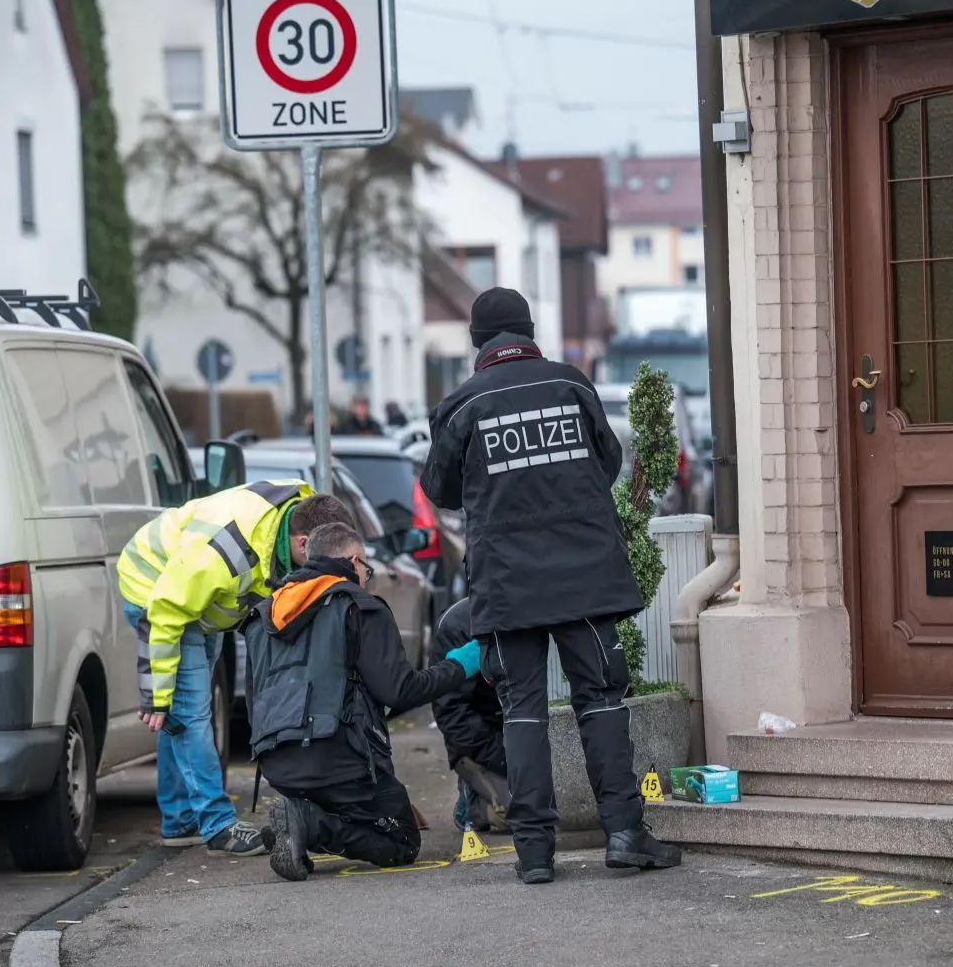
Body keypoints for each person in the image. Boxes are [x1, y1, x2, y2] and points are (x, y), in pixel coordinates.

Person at [422, 286, 682, 885]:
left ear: (477, 342)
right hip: (584, 574)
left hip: (507, 583)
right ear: (530, 332)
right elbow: (607, 463)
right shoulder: (572, 384)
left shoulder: (463, 406)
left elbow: (440, 489)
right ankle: (624, 833)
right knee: (602, 699)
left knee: (522, 709)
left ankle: (535, 853)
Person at [117, 483, 354, 855]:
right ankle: (218, 826)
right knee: (190, 714)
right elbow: (163, 612)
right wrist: (156, 694)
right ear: (304, 543)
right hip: (155, 589)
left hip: (200, 602)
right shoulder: (226, 552)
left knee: (181, 715)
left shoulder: (297, 519)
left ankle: (180, 821)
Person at [244, 523, 484, 881]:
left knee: (345, 800)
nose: (366, 579)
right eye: (367, 569)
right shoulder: (359, 607)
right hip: (340, 764)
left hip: (277, 765)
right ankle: (309, 824)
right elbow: (400, 691)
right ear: (354, 561)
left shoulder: (264, 615)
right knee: (402, 842)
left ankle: (299, 819)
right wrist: (460, 665)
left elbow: (254, 704)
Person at [425, 597, 510, 833]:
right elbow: (452, 715)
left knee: (551, 806)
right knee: (526, 816)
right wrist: (505, 757)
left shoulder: (534, 611)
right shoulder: (457, 626)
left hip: (523, 736)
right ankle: (473, 804)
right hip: (482, 743)